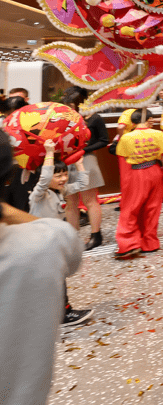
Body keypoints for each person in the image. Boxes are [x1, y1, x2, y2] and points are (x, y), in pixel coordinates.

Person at [0, 131, 84, 405]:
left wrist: (78, 164)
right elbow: (70, 247)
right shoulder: (51, 237)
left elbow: (78, 183)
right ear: (10, 178)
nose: (60, 179)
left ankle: (66, 309)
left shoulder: (59, 197)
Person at [29, 139, 94, 326]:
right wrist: (49, 152)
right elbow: (43, 180)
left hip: (51, 242)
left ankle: (56, 312)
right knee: (55, 279)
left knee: (56, 277)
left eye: (65, 174)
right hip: (39, 244)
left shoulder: (60, 191)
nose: (63, 179)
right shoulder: (38, 195)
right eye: (58, 175)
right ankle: (62, 314)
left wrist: (79, 163)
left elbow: (82, 183)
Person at [114, 110, 163, 259]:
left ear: (132, 123)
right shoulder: (158, 134)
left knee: (131, 208)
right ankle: (150, 243)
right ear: (149, 120)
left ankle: (128, 244)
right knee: (153, 209)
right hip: (155, 171)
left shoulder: (127, 137)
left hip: (137, 173)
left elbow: (123, 156)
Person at [61, 87, 110, 251]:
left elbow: (104, 140)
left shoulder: (94, 117)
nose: (70, 105)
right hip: (69, 161)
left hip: (86, 160)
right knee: (71, 201)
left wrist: (84, 151)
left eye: (72, 102)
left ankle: (96, 235)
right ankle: (73, 238)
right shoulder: (67, 118)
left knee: (90, 200)